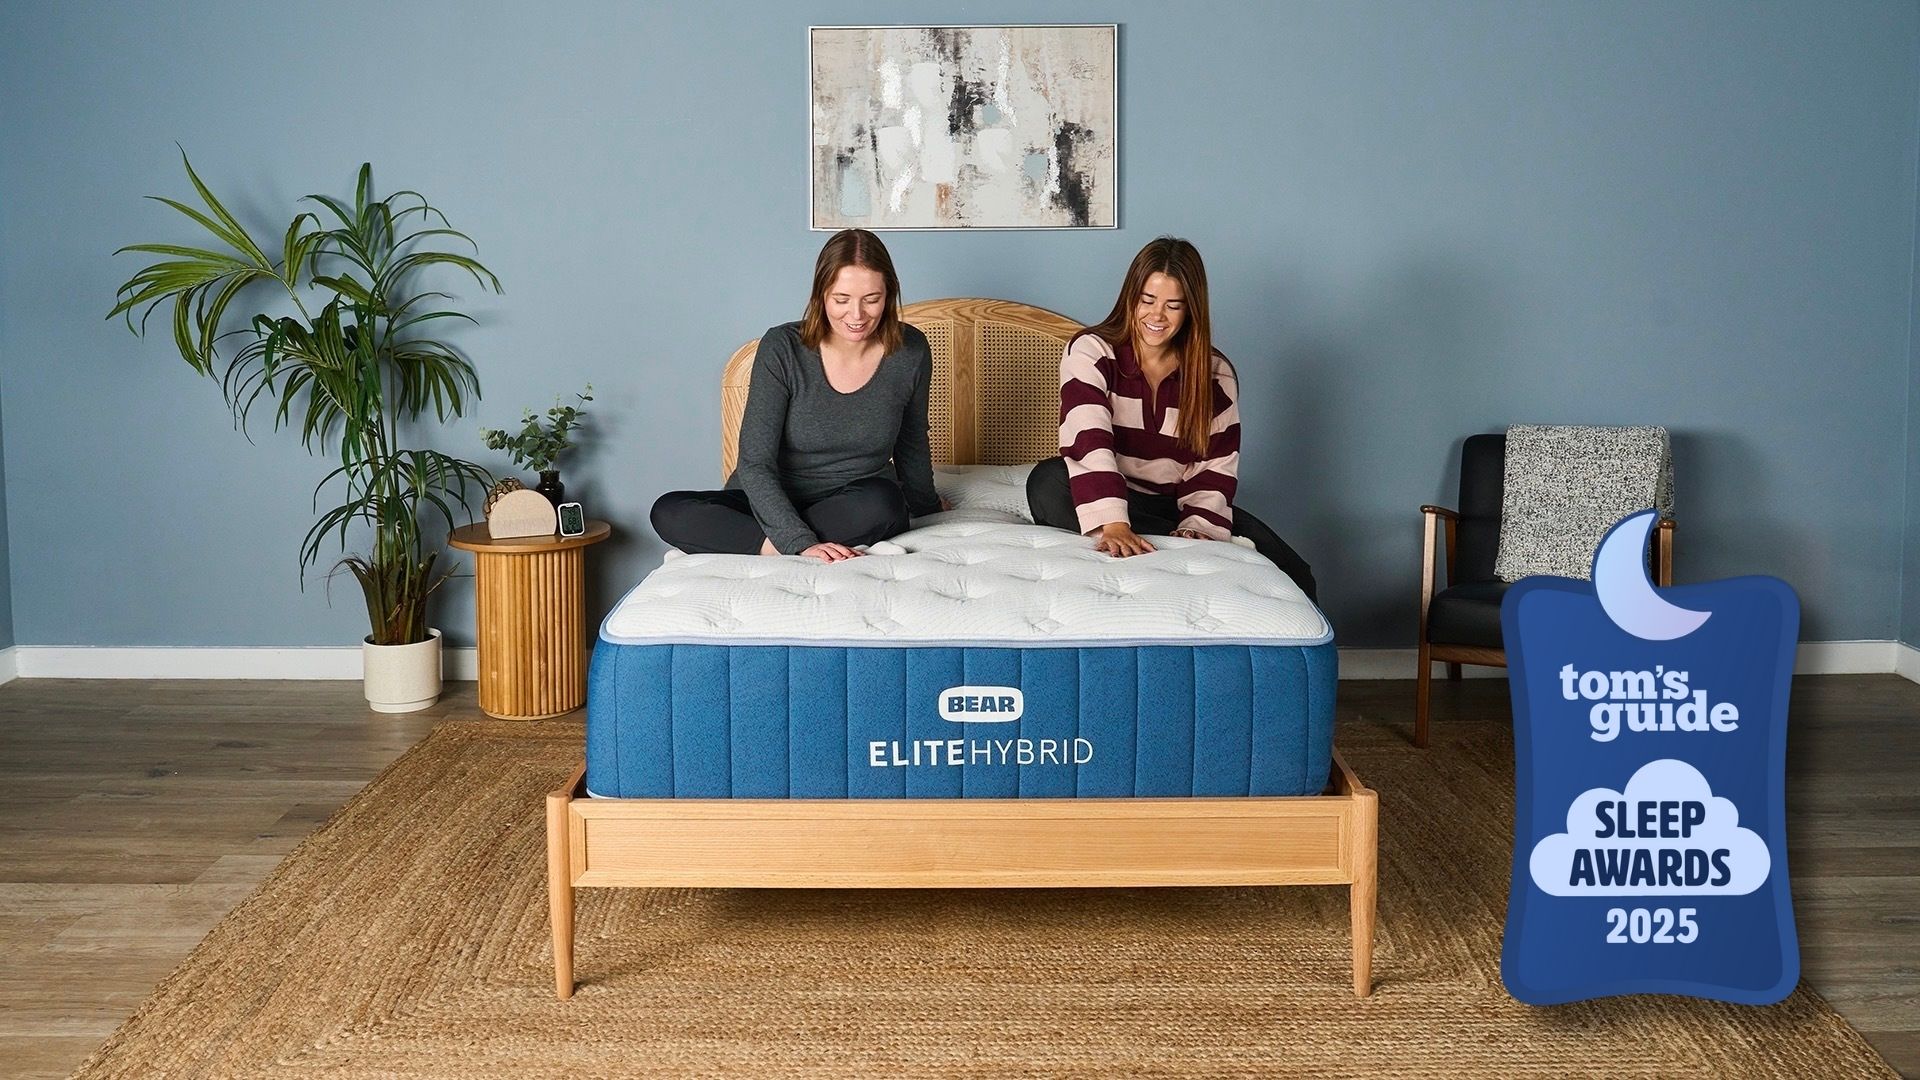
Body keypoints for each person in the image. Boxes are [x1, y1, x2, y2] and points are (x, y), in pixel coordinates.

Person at [1025, 236, 1319, 602]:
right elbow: (1089, 439)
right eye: (1147, 300)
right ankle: (1168, 539)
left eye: (1173, 305)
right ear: (1130, 298)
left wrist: (1198, 527)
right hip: (1104, 490)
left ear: (1191, 309)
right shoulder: (1091, 350)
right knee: (1048, 481)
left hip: (1172, 503)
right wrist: (1114, 522)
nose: (1157, 316)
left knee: (1296, 572)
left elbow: (1215, 465)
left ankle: (1181, 539)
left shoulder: (1215, 374)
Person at [651, 229, 943, 562]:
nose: (857, 315)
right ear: (821, 294)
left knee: (885, 504)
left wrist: (927, 504)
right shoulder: (782, 348)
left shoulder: (910, 350)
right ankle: (776, 546)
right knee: (668, 511)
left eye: (871, 299)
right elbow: (755, 462)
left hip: (852, 501)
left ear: (889, 294)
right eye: (841, 299)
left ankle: (758, 542)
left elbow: (911, 440)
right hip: (766, 503)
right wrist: (797, 540)